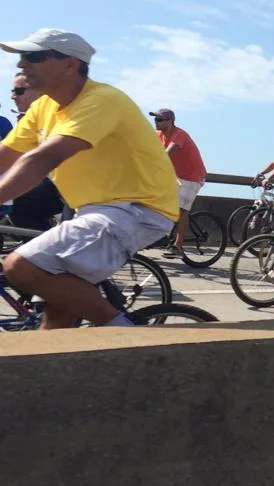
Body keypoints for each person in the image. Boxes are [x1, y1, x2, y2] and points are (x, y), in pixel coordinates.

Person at [0, 28, 178, 329]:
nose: (22, 64)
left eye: (33, 56)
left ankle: (129, 339)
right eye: (21, 57)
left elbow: (43, 157)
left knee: (21, 266)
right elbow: (7, 153)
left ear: (70, 64)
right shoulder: (43, 108)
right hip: (94, 210)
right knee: (57, 311)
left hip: (136, 209)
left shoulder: (102, 100)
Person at [5, 72, 64, 231]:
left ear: (40, 93)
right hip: (47, 185)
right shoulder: (25, 119)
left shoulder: (58, 116)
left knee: (17, 196)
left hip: (64, 187)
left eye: (18, 91)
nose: (12, 96)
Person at [150, 108, 207, 259]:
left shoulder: (179, 135)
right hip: (176, 175)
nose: (156, 122)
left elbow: (167, 154)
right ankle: (161, 234)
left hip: (192, 176)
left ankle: (178, 246)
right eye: (155, 119)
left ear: (170, 122)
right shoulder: (158, 135)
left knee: (181, 210)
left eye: (160, 120)